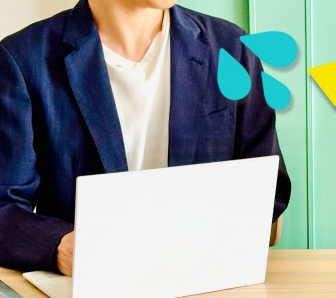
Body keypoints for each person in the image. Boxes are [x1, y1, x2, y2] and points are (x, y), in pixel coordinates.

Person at [0, 0, 291, 275]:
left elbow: (268, 187)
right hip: (87, 286)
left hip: (206, 277)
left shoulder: (231, 49)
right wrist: (60, 247)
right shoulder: (23, 58)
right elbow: (4, 206)